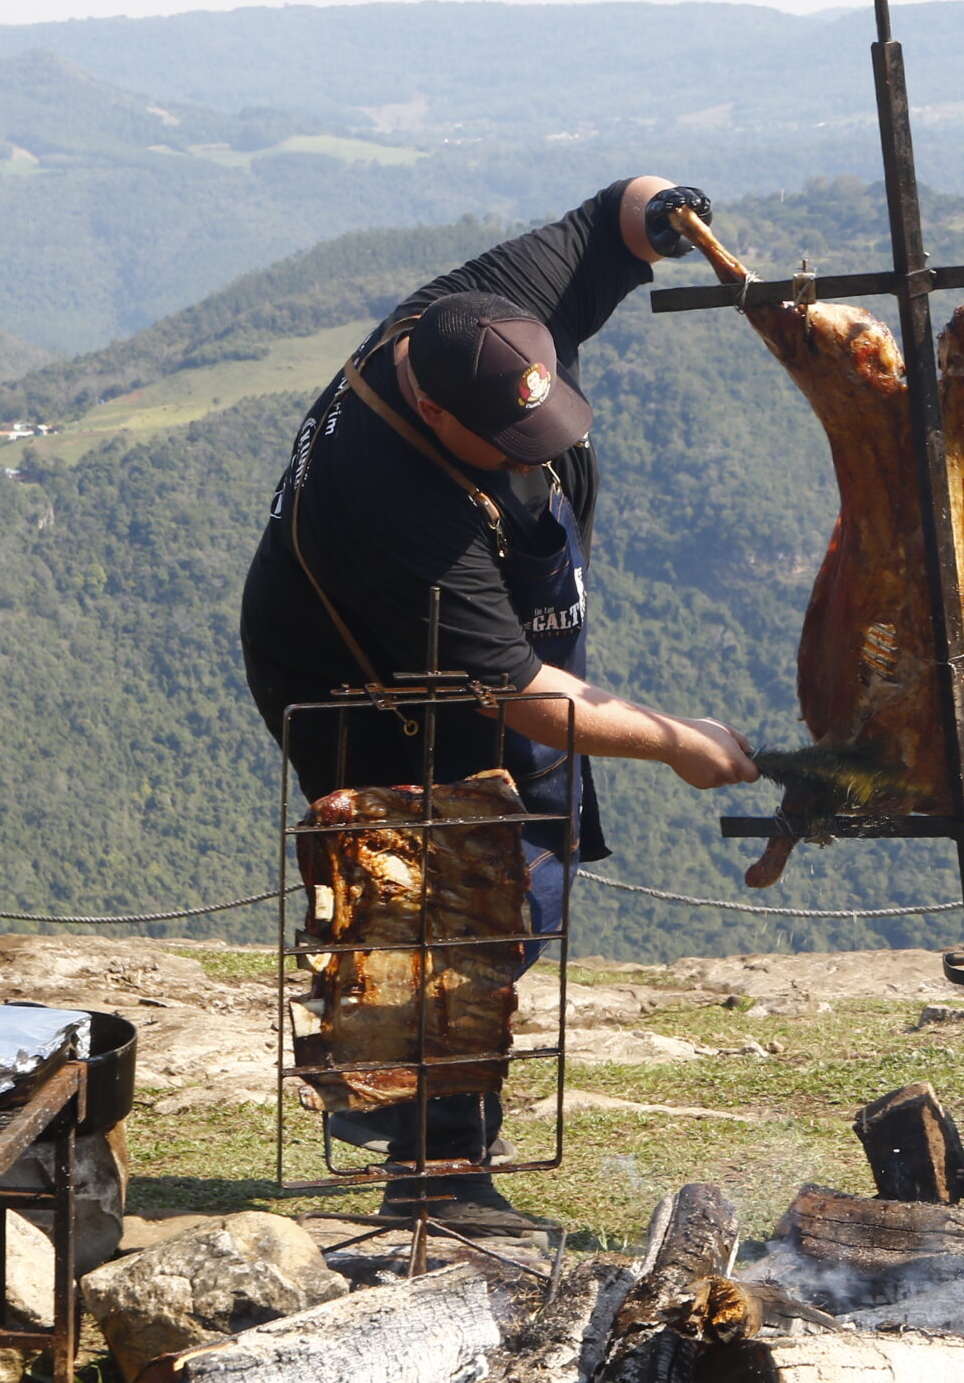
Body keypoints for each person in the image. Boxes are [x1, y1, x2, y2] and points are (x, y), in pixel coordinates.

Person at [238, 177, 757, 1232]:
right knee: (451, 900)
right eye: (508, 444)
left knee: (528, 882)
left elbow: (612, 213)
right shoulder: (396, 501)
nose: (538, 452)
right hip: (363, 686)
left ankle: (421, 1108)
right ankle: (436, 1184)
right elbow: (524, 697)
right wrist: (677, 745)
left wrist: (666, 209)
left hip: (494, 665)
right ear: (433, 412)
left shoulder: (480, 323)